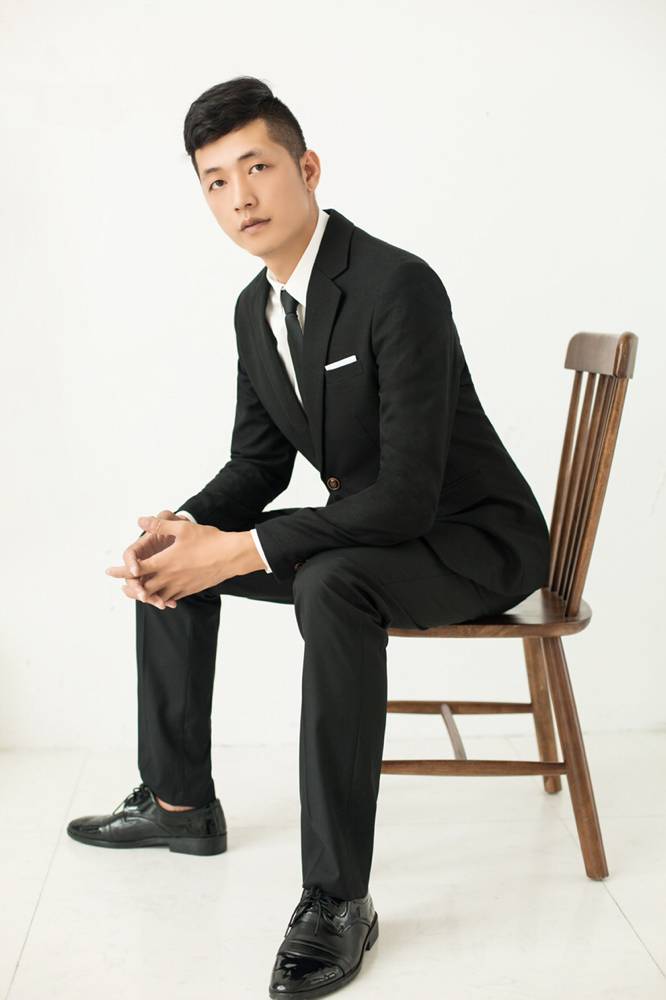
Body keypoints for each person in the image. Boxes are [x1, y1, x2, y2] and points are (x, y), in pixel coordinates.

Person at [67, 75, 551, 998]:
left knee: (330, 584)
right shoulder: (254, 311)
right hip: (370, 533)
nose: (240, 198)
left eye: (257, 168)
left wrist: (243, 548)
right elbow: (258, 464)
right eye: (215, 182)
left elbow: (407, 497)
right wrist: (184, 526)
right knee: (181, 558)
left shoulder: (396, 285)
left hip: (473, 539)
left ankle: (337, 898)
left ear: (308, 168)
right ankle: (178, 802)